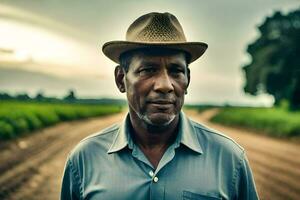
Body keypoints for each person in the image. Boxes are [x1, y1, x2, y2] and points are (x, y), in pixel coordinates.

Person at [60, 12, 259, 200]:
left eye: (176, 71)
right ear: (121, 79)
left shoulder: (229, 160)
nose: (165, 85)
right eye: (148, 70)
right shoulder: (84, 160)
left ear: (187, 80)